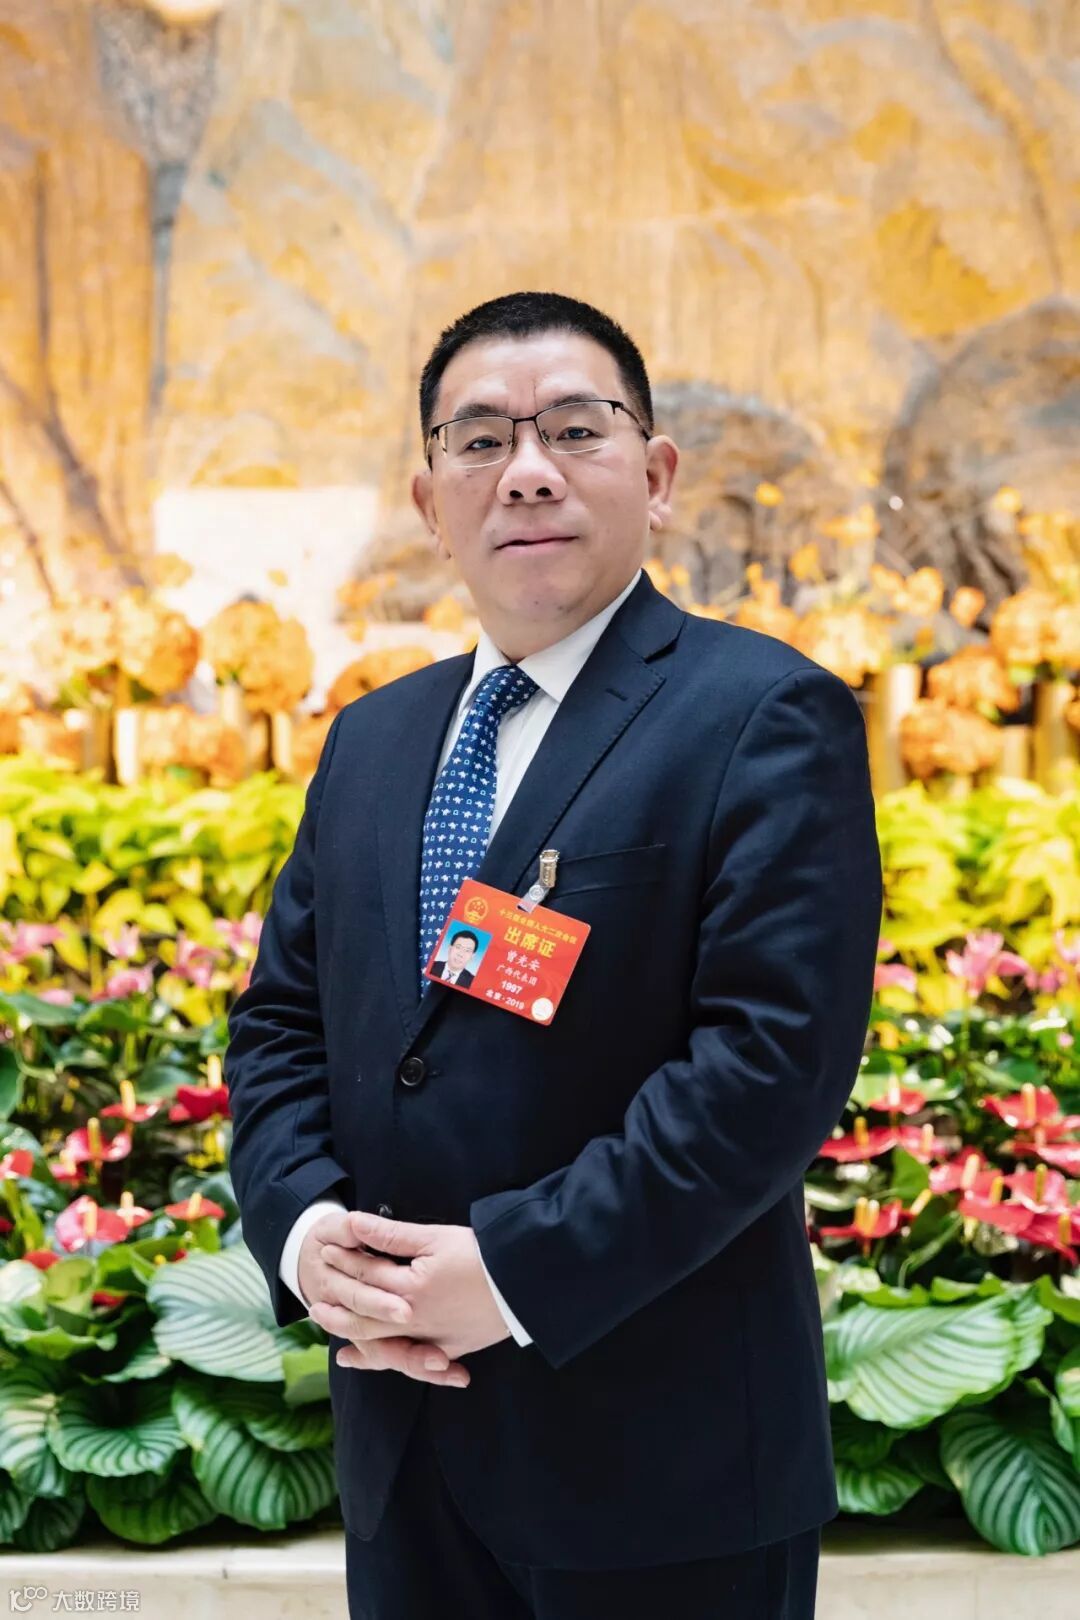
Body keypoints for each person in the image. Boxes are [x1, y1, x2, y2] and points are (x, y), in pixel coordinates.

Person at [225, 290, 883, 1620]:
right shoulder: (371, 740)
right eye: (480, 441)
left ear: (657, 475)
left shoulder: (761, 713)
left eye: (575, 429)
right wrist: (308, 1238)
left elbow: (766, 1072)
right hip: (405, 1452)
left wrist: (513, 1271)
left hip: (663, 1468)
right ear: (430, 502)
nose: (526, 470)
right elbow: (283, 1024)